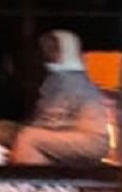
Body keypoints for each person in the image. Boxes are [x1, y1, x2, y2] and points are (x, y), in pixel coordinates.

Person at [12, 29, 110, 165]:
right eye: (46, 48)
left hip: (90, 141)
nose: (47, 52)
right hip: (81, 137)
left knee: (28, 138)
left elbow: (52, 120)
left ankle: (31, 182)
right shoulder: (64, 76)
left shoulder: (67, 78)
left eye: (52, 48)